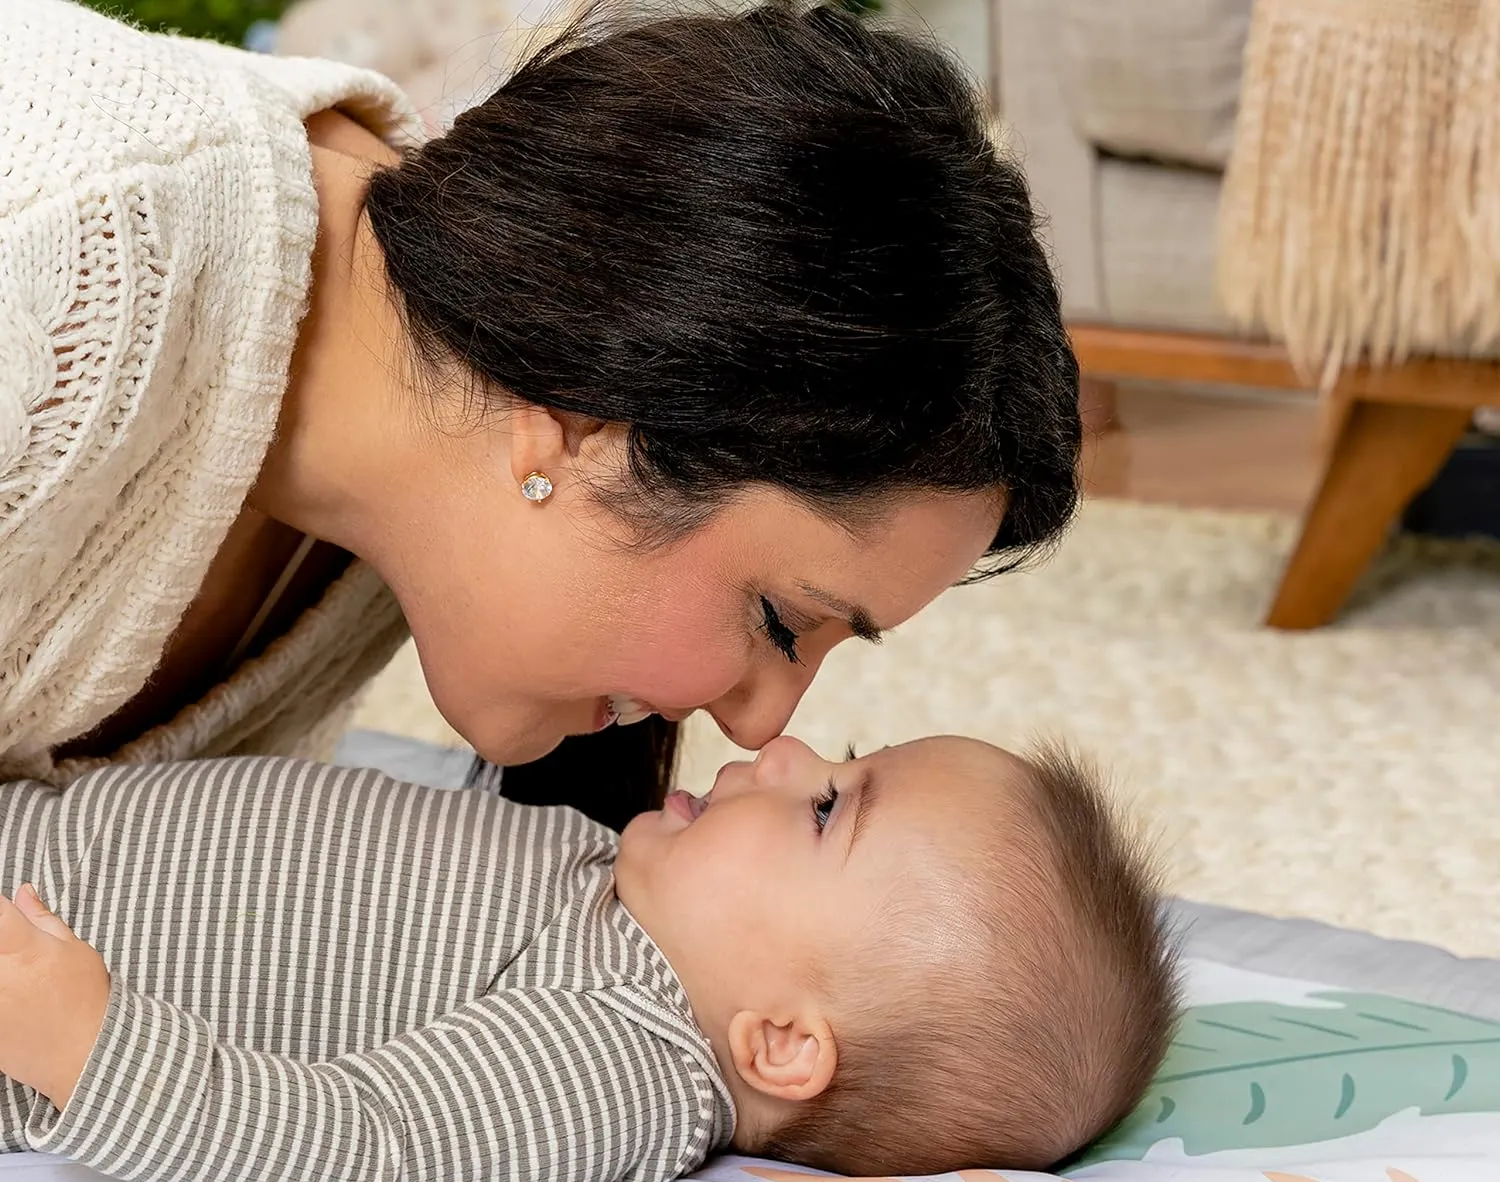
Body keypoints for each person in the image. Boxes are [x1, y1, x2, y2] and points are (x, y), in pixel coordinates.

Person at [0, 0, 1081, 833]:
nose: (759, 727)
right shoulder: (47, 252)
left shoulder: (418, 461)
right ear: (580, 416)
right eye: (780, 622)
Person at [0, 736, 1178, 1182]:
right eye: (848, 752)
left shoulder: (619, 1062)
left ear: (777, 1042)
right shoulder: (627, 898)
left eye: (827, 806)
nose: (786, 751)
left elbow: (363, 1150)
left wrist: (83, 1043)